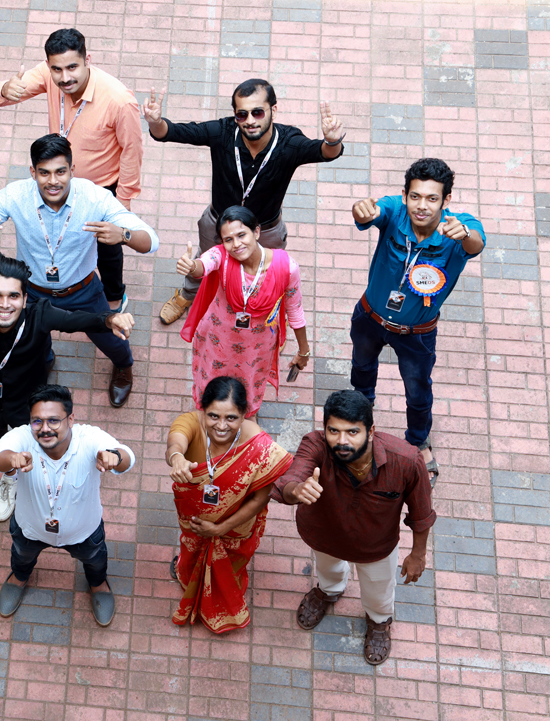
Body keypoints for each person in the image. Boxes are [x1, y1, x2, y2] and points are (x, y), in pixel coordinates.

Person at [0, 253, 135, 521]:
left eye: (14, 296)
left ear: (25, 298)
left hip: (28, 402)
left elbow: (76, 320)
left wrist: (109, 320)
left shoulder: (40, 315)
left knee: (39, 440)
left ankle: (41, 477)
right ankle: (10, 476)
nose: (5, 304)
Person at [0, 134, 156, 408]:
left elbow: (151, 241)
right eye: (44, 173)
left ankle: (123, 365)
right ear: (32, 172)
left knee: (110, 336)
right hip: (33, 292)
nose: (53, 181)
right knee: (29, 338)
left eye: (61, 172)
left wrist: (124, 235)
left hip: (83, 290)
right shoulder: (16, 194)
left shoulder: (95, 197)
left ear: (72, 170)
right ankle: (44, 361)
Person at [146, 78, 346, 325]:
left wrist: (332, 141)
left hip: (266, 229)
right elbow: (173, 132)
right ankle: (188, 295)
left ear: (273, 109)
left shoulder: (289, 143)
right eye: (242, 114)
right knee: (202, 261)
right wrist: (156, 123)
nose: (250, 120)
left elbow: (324, 152)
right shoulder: (223, 132)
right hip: (218, 222)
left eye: (257, 112)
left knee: (267, 271)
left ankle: (269, 313)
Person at [272, 390, 435, 666]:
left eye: (352, 432)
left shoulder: (406, 460)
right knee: (328, 572)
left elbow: (421, 513)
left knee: (379, 591)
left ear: (371, 431)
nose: (342, 441)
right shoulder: (315, 444)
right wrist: (296, 490)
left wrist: (418, 554)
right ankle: (329, 591)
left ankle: (379, 621)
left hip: (376, 547)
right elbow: (290, 479)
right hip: (324, 534)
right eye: (333, 431)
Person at [350, 158, 485, 481]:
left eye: (432, 198)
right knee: (361, 368)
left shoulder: (459, 227)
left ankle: (418, 441)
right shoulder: (394, 210)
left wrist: (465, 234)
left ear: (446, 200)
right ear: (405, 195)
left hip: (417, 333)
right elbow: (370, 212)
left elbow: (476, 243)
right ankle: (360, 414)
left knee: (418, 389)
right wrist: (361, 210)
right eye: (415, 196)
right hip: (370, 318)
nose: (421, 206)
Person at [0, 28, 143, 311]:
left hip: (100, 188)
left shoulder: (119, 101)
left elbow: (132, 153)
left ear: (88, 60)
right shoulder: (48, 74)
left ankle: (113, 298)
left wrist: (123, 203)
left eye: (72, 67)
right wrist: (3, 89)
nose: (64, 78)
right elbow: (0, 96)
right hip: (59, 182)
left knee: (107, 249)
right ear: (48, 65)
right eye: (57, 69)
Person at [0, 385, 134, 627]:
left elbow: (127, 456)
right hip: (30, 528)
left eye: (54, 420)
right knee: (21, 556)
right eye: (37, 421)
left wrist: (116, 457)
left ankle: (98, 584)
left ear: (71, 419)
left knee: (95, 560)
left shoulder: (89, 438)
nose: (45, 428)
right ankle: (19, 577)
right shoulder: (23, 437)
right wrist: (11, 459)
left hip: (84, 532)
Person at [164, 376, 292, 633]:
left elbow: (260, 498)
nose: (221, 426)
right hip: (195, 519)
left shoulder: (259, 446)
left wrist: (220, 529)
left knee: (231, 563)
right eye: (213, 416)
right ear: (203, 410)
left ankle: (223, 595)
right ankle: (188, 576)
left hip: (236, 526)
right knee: (191, 550)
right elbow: (176, 442)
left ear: (244, 415)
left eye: (231, 418)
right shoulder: (190, 422)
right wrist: (177, 457)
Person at [175, 205, 310, 418]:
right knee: (211, 381)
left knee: (249, 383)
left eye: (241, 235)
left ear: (256, 232)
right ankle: (209, 412)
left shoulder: (287, 267)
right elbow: (204, 264)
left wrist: (304, 351)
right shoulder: (221, 256)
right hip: (218, 339)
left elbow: (295, 311)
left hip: (257, 346)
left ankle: (245, 415)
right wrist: (192, 267)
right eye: (228, 239)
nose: (236, 244)